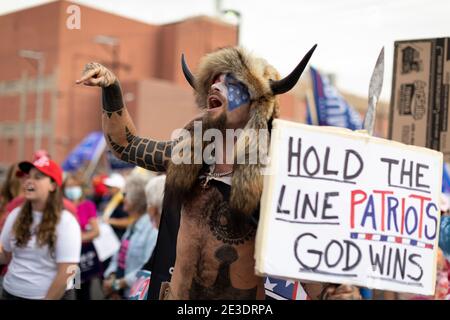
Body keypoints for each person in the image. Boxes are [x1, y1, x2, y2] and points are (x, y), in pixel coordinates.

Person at [76, 45, 361, 300]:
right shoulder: (188, 155)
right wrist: (112, 88)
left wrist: (334, 292)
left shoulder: (275, 176)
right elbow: (126, 146)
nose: (216, 85)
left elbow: (304, 254)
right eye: (213, 80)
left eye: (230, 81)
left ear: (256, 102)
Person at [0, 156, 81, 300]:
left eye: (38, 177)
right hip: (10, 293)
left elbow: (67, 273)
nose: (29, 181)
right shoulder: (15, 215)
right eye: (28, 177)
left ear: (53, 186)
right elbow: (5, 257)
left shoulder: (66, 222)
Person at [102, 174, 157, 299]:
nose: (122, 198)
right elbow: (118, 256)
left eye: (125, 194)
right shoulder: (133, 225)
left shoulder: (151, 229)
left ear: (136, 198)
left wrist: (116, 285)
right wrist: (111, 275)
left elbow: (147, 268)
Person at [63, 174, 100, 300]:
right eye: (68, 187)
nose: (72, 189)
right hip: (66, 256)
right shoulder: (62, 206)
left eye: (74, 186)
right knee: (66, 289)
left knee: (81, 290)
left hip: (83, 256)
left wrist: (75, 239)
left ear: (80, 188)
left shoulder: (88, 205)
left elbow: (96, 232)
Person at [102, 172, 131, 239]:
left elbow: (129, 222)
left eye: (110, 187)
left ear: (118, 188)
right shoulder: (112, 199)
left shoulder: (124, 200)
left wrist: (110, 221)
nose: (107, 189)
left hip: (120, 238)